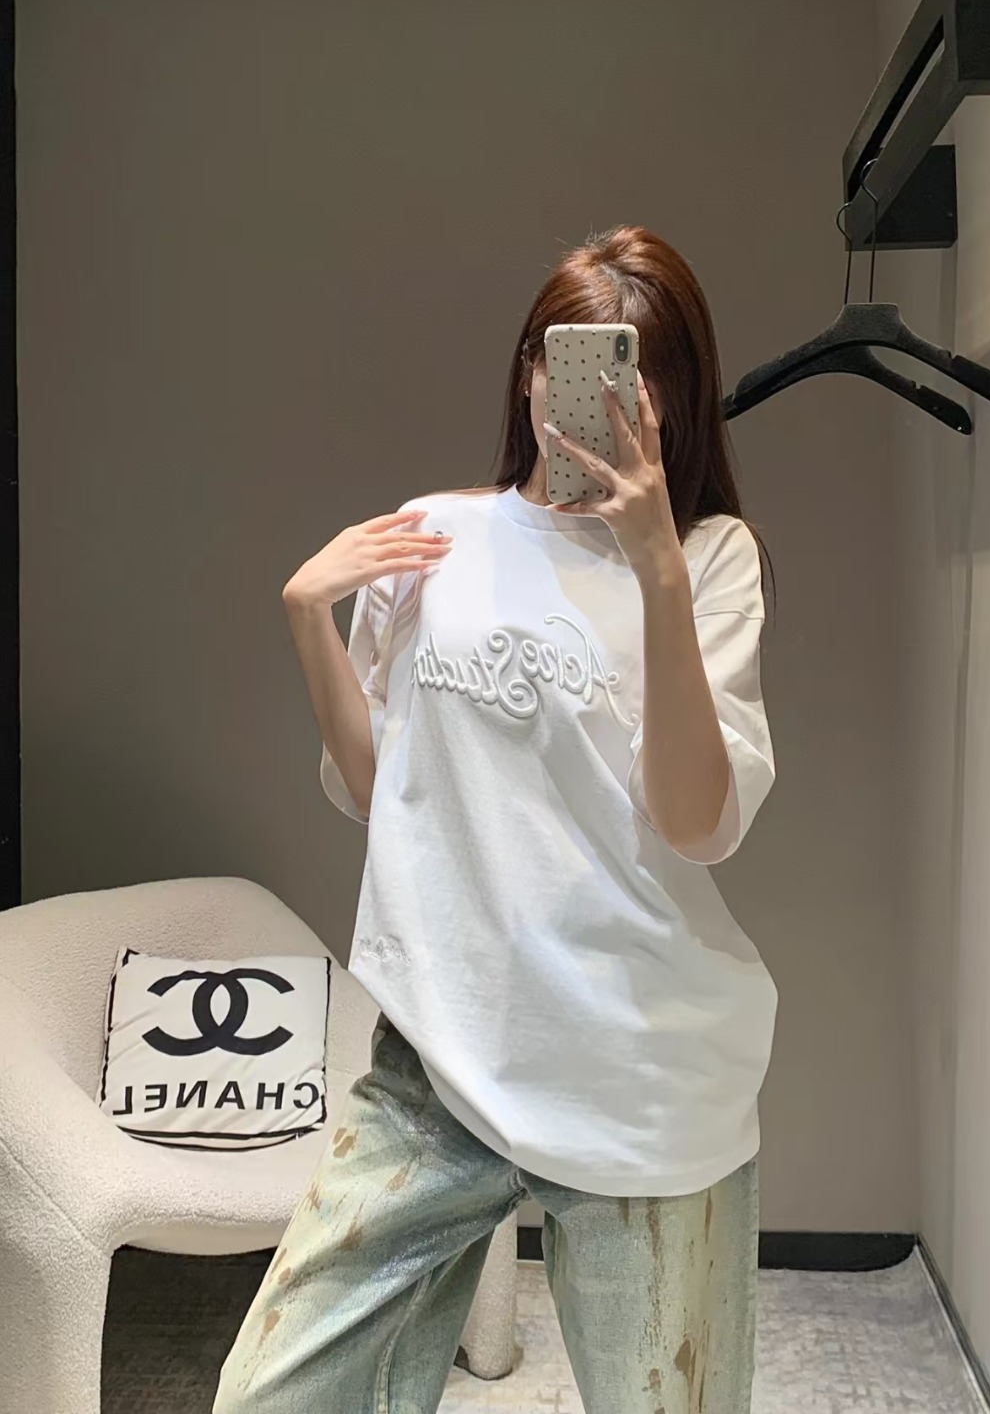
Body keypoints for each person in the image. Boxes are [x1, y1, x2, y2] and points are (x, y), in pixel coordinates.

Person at [213, 224, 779, 1414]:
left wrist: (656, 566)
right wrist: (310, 619)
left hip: (641, 1077)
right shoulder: (432, 537)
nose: (607, 409)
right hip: (440, 1066)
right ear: (531, 372)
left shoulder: (711, 559)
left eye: (640, 384)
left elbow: (696, 822)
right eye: (574, 367)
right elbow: (378, 791)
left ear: (676, 402)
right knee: (272, 1396)